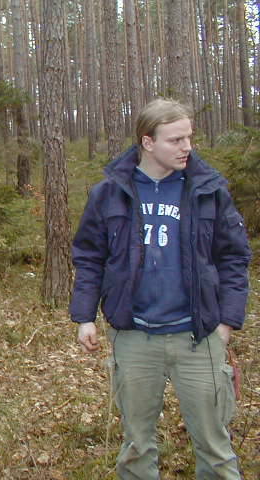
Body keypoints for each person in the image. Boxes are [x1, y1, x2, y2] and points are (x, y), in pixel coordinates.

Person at [70, 98, 251, 479]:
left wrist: (227, 322)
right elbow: (89, 256)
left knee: (216, 449)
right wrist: (84, 316)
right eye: (176, 140)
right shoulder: (110, 193)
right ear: (148, 142)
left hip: (197, 336)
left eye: (189, 138)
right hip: (135, 337)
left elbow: (234, 258)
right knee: (137, 446)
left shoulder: (208, 190)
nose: (187, 147)